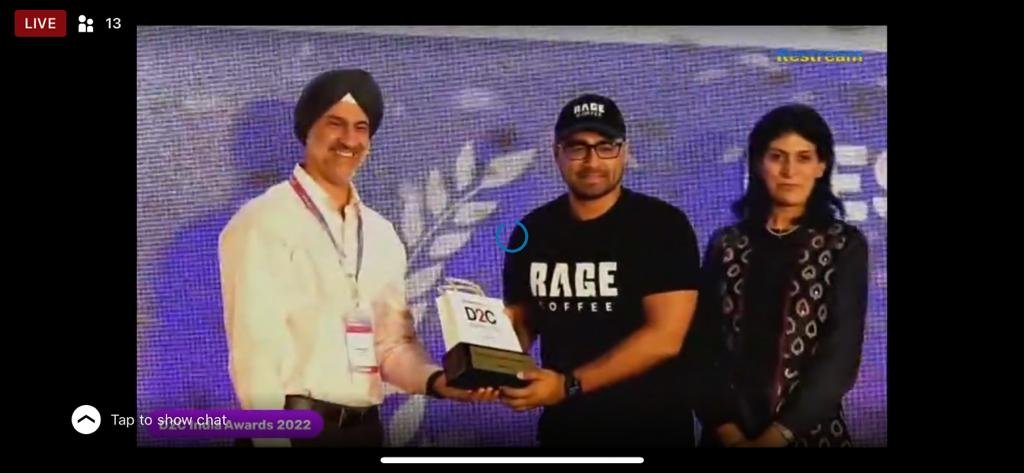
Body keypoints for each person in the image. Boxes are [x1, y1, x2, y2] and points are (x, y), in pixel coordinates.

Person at [218, 69, 497, 448]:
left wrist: (437, 381)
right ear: (307, 130)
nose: (349, 139)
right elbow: (256, 356)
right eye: (335, 124)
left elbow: (391, 346)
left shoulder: (381, 233)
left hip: (364, 431)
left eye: (361, 127)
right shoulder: (262, 222)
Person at [499, 94, 701, 447]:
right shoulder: (531, 232)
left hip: (652, 429)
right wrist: (484, 359)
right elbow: (522, 325)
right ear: (557, 153)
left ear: (624, 151)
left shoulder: (663, 226)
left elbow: (666, 338)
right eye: (577, 147)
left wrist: (567, 385)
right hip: (565, 433)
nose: (592, 161)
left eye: (605, 146)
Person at [688, 104, 869, 448]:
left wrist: (777, 437)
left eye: (803, 157)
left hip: (809, 435)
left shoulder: (844, 245)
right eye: (777, 157)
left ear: (822, 166)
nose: (789, 171)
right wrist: (728, 432)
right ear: (758, 164)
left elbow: (840, 356)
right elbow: (701, 348)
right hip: (726, 436)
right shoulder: (726, 245)